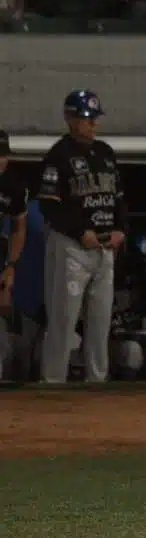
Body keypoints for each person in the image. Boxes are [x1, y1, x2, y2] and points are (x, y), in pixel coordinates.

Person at [37, 90, 126, 384]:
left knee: (100, 323)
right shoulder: (58, 155)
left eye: (95, 118)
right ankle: (53, 383)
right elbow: (48, 204)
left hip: (104, 248)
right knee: (63, 321)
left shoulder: (105, 153)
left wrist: (121, 229)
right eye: (86, 118)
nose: (93, 124)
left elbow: (119, 199)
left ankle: (97, 382)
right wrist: (79, 232)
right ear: (70, 118)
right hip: (71, 248)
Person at [0, 130, 27, 378]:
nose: (0, 160)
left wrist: (11, 266)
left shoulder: (12, 185)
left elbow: (19, 228)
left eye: (3, 155)